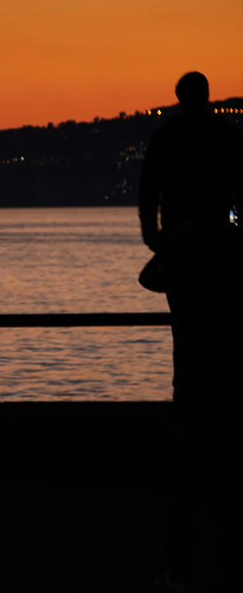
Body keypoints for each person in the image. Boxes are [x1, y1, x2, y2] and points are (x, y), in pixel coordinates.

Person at [139, 71, 243, 591]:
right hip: (223, 253)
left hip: (183, 254)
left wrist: (156, 239)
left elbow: (147, 192)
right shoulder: (228, 138)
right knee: (226, 337)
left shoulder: (165, 138)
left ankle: (191, 402)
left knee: (188, 338)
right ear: (208, 96)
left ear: (179, 98)